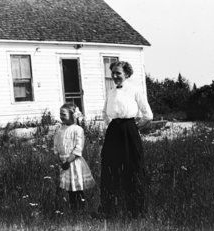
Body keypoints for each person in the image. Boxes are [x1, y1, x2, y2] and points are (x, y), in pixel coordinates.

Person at [99, 61, 153, 219]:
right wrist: (113, 126)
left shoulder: (135, 90)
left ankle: (136, 210)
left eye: (118, 73)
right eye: (113, 73)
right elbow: (104, 113)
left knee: (132, 168)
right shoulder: (110, 92)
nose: (115, 76)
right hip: (113, 132)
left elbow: (148, 115)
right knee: (110, 168)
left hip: (129, 132)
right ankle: (109, 210)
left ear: (127, 74)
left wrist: (134, 128)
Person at [53, 103, 96, 211]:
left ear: (72, 115)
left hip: (73, 162)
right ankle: (73, 209)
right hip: (63, 163)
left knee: (77, 188)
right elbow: (56, 145)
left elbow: (78, 148)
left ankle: (81, 209)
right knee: (69, 189)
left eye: (64, 114)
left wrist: (68, 162)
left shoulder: (78, 129)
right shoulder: (59, 130)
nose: (61, 117)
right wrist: (59, 159)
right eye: (60, 114)